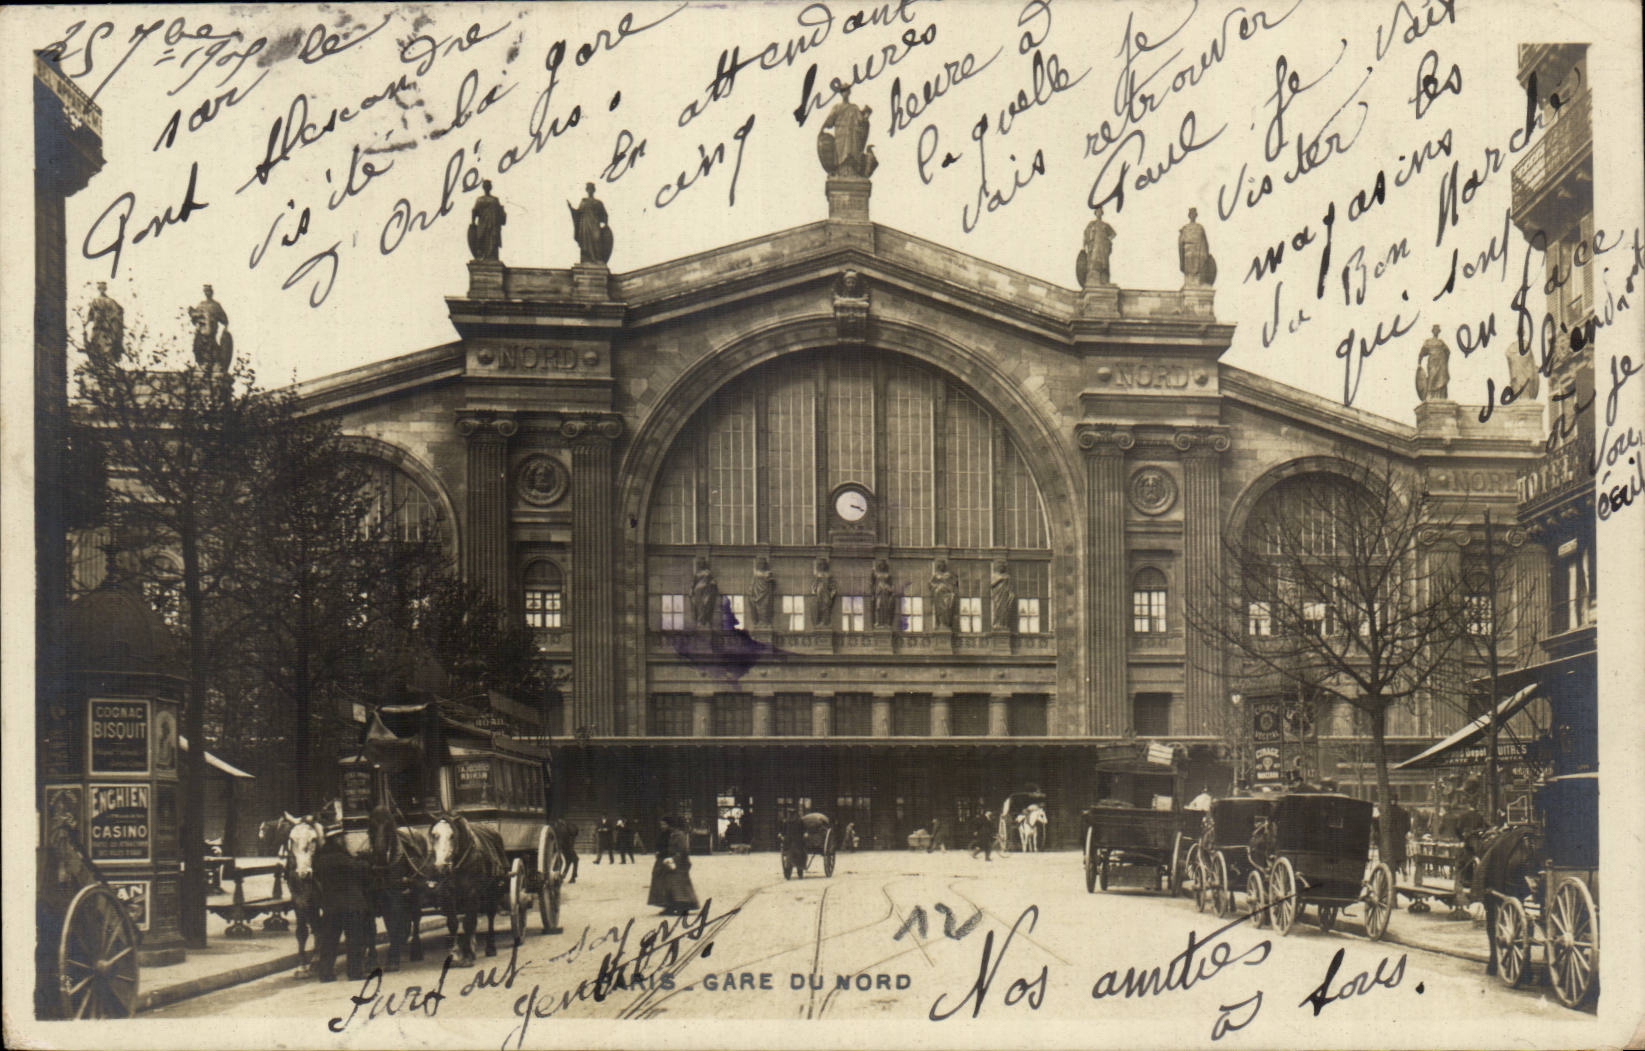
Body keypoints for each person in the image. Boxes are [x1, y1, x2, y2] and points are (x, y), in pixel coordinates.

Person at [311, 827, 374, 982]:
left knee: (329, 941)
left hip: (330, 906)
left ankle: (325, 973)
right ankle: (354, 972)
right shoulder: (343, 858)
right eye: (341, 838)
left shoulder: (320, 860)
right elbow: (361, 871)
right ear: (337, 839)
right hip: (351, 906)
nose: (344, 840)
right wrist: (366, 861)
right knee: (354, 939)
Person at [648, 816, 699, 917]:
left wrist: (674, 859)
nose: (662, 826)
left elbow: (682, 850)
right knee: (665, 885)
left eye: (664, 824)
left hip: (678, 863)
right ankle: (669, 906)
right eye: (661, 825)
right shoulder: (665, 834)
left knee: (679, 886)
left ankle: (684, 907)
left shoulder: (679, 835)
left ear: (670, 825)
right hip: (665, 862)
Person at [569, 182, 613, 264]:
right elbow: (578, 213)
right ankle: (587, 259)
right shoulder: (583, 201)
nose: (590, 191)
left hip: (595, 224)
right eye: (588, 189)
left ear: (594, 190)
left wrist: (605, 225)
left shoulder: (598, 203)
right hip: (585, 225)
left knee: (597, 238)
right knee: (585, 242)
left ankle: (598, 259)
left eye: (591, 189)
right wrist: (571, 209)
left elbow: (604, 215)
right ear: (587, 190)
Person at [467, 179, 506, 261]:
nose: (487, 187)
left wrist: (502, 211)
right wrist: (473, 223)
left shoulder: (495, 199)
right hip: (482, 224)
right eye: (485, 186)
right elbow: (475, 211)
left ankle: (491, 257)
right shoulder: (479, 199)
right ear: (483, 187)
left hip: (493, 225)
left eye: (488, 185)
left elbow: (499, 213)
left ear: (490, 187)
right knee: (481, 239)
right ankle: (482, 256)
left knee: (492, 240)